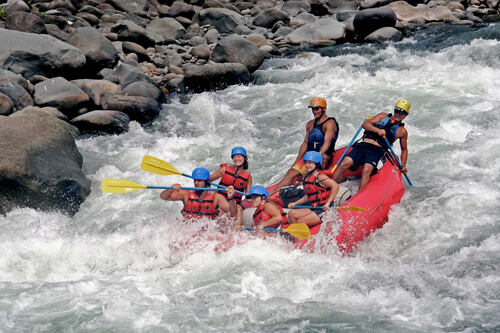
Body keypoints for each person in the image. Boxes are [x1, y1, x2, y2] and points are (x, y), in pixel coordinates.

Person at [333, 99, 410, 191]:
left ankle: (359, 198)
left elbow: (404, 149)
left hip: (377, 150)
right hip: (363, 145)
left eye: (401, 113)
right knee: (345, 163)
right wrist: (377, 130)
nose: (398, 114)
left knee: (367, 169)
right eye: (396, 111)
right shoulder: (383, 116)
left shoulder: (402, 131)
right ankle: (331, 187)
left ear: (406, 115)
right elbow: (365, 124)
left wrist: (403, 165)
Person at [272, 97, 339, 194]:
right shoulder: (310, 124)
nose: (314, 111)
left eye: (317, 109)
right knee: (291, 172)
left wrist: (318, 156)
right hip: (309, 155)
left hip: (324, 156)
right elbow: (305, 143)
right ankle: (274, 193)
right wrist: (296, 161)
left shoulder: (330, 123)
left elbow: (327, 142)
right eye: (313, 109)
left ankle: (307, 182)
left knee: (311, 172)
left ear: (324, 109)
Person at [160, 167, 238, 220]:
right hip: (189, 228)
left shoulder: (216, 197)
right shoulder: (186, 194)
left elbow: (233, 213)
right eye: (195, 180)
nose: (196, 183)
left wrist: (231, 198)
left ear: (206, 181)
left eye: (199, 181)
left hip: (207, 231)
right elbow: (163, 197)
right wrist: (171, 189)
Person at [288, 151, 340, 227]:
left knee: (300, 222)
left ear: (317, 163)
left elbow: (335, 186)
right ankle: (298, 236)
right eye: (306, 163)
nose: (307, 165)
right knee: (291, 214)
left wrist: (328, 203)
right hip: (314, 207)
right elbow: (309, 195)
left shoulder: (320, 176)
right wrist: (295, 203)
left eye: (310, 163)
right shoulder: (308, 176)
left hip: (324, 210)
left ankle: (302, 235)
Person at [210, 147, 252, 225]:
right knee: (221, 208)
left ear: (245, 158)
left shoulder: (248, 176)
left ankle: (237, 231)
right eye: (234, 157)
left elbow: (248, 196)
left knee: (238, 208)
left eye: (239, 156)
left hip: (234, 202)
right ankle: (216, 230)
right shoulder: (224, 169)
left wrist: (256, 198)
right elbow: (208, 180)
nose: (236, 159)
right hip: (220, 200)